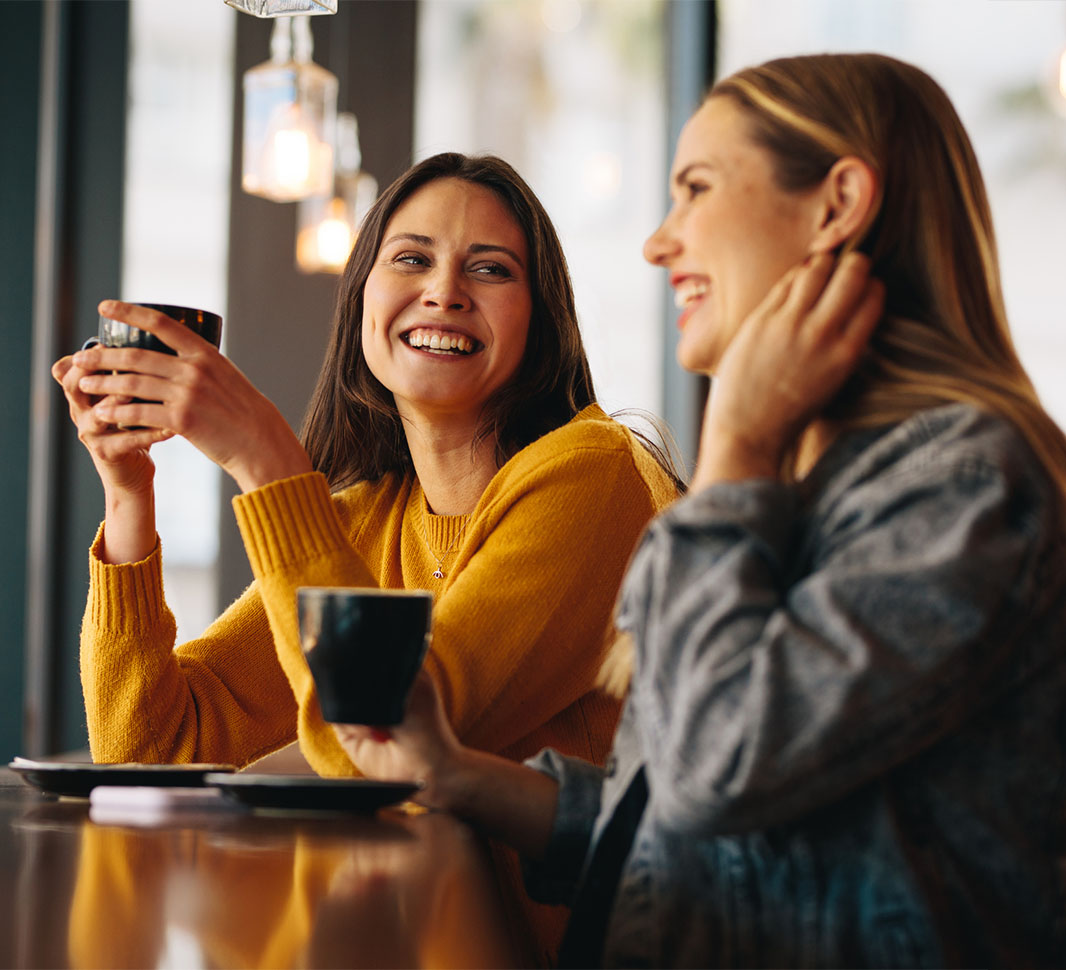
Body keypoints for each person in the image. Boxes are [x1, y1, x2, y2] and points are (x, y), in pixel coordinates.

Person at [333, 53, 1066, 968]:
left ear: (837, 205)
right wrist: (459, 778)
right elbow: (686, 829)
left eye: (697, 190)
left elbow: (721, 766)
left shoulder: (967, 488)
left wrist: (736, 452)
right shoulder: (816, 488)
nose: (659, 242)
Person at [52, 152, 681, 964]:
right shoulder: (364, 521)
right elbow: (150, 749)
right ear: (362, 305)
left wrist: (267, 462)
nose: (445, 290)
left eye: (489, 269)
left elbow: (384, 754)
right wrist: (129, 491)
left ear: (542, 320)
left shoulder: (591, 475)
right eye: (412, 258)